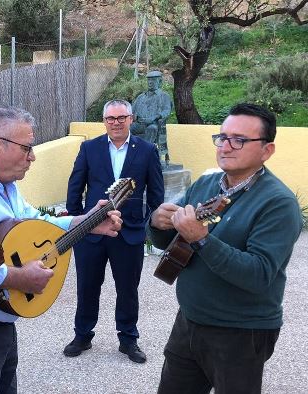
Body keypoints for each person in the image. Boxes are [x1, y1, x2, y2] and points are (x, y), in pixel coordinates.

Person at [0, 107, 123, 393]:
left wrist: (84, 222)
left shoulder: (3, 185)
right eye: (27, 148)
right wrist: (19, 278)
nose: (33, 156)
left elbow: (35, 224)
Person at [148, 103, 302, 393]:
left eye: (239, 140)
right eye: (222, 137)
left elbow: (258, 275)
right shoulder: (206, 185)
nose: (226, 146)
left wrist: (202, 239)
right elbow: (169, 244)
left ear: (266, 151)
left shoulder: (278, 203)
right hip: (189, 321)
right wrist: (157, 224)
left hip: (241, 333)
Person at [63, 99, 164, 363]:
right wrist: (78, 223)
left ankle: (128, 339)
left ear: (131, 119)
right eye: (110, 119)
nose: (116, 123)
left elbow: (156, 195)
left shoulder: (146, 150)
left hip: (128, 232)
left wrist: (146, 224)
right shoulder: (89, 148)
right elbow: (75, 188)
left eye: (121, 118)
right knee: (87, 286)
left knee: (128, 288)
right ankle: (83, 334)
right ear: (104, 121)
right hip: (91, 232)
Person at [130, 70, 173, 165]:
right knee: (124, 129)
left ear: (160, 82)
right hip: (139, 123)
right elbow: (130, 111)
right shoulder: (141, 97)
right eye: (149, 80)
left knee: (152, 129)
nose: (150, 82)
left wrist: (155, 117)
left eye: (153, 80)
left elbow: (167, 111)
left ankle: (144, 157)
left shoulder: (164, 96)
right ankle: (128, 155)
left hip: (155, 125)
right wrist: (135, 117)